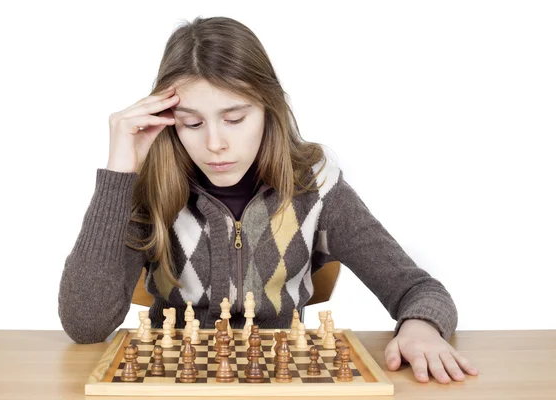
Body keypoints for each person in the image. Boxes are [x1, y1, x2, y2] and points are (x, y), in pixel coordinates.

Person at [58, 16, 478, 384]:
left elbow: (418, 289)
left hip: (282, 380)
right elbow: (85, 324)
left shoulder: (316, 190)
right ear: (168, 123)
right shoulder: (149, 191)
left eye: (235, 118)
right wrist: (119, 174)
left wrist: (421, 327)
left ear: (268, 108)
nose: (215, 143)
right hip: (173, 380)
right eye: (192, 123)